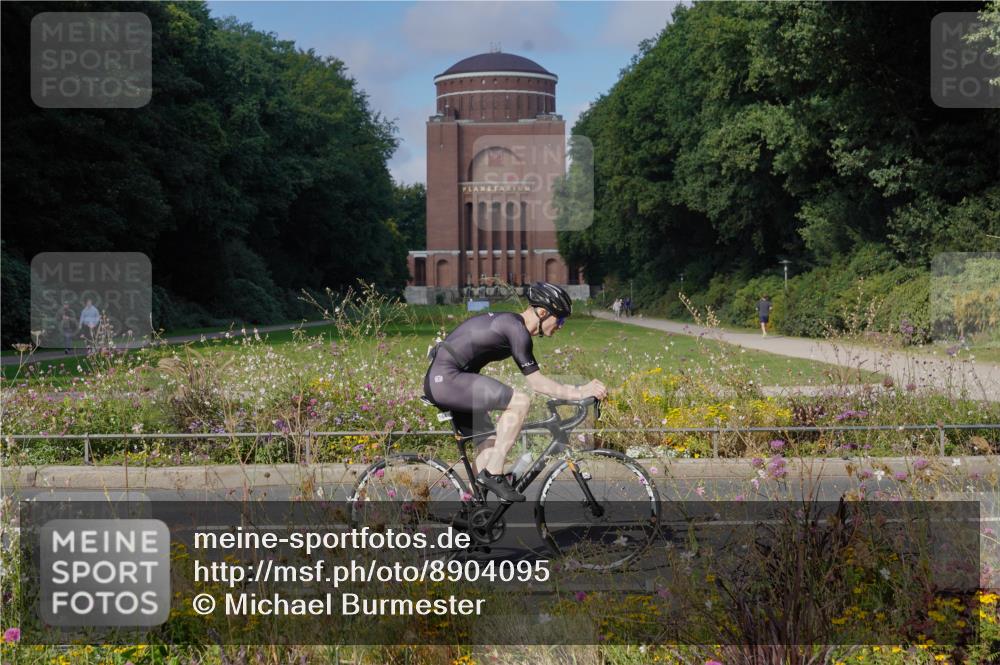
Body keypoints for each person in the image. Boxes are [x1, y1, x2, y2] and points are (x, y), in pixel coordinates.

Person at [423, 282, 607, 502]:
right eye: (559, 319)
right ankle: (494, 474)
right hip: (448, 379)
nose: (561, 325)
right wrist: (580, 391)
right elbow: (537, 383)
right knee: (520, 402)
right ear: (542, 312)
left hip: (448, 379)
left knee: (489, 448)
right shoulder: (517, 329)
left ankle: (472, 516)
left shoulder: (513, 325)